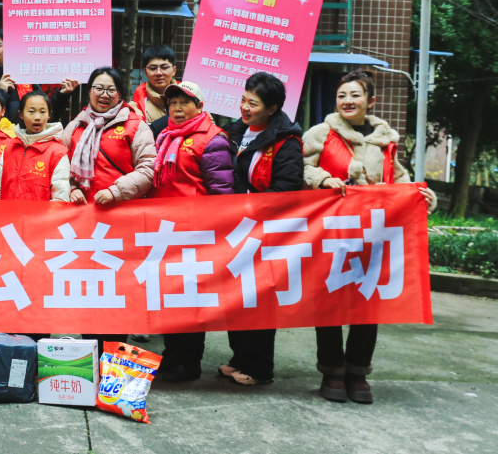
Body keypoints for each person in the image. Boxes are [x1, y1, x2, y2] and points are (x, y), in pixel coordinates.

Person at [302, 70, 436, 404]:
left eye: (355, 95)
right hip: (331, 233)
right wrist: (322, 179)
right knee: (330, 301)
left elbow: (398, 179)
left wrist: (419, 195)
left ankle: (358, 371)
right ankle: (332, 371)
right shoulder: (320, 133)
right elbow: (299, 167)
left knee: (368, 302)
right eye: (342, 95)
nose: (347, 101)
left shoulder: (384, 139)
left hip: (373, 235)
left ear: (370, 101)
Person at [146, 81, 234, 383]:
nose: (177, 108)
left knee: (192, 300)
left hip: (195, 235)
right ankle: (172, 356)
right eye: (173, 103)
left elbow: (221, 193)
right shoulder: (166, 136)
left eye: (185, 102)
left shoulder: (212, 139)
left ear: (200, 106)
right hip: (165, 233)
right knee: (171, 298)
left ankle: (188, 362)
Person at [218, 72, 303, 387]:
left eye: (252, 104)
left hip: (264, 232)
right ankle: (240, 357)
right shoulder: (234, 131)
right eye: (243, 100)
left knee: (259, 300)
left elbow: (287, 189)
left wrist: (248, 206)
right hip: (234, 230)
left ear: (272, 108)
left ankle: (259, 367)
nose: (244, 107)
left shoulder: (286, 141)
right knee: (235, 297)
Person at [62, 67, 155, 205]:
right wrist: (72, 188)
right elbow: (60, 167)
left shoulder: (136, 125)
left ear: (119, 94)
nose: (104, 95)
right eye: (99, 88)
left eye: (111, 90)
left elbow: (148, 168)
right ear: (89, 91)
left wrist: (116, 192)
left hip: (121, 209)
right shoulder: (75, 126)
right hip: (82, 211)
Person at [0, 24, 78, 125]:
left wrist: (62, 95)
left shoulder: (26, 80)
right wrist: (1, 93)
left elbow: (45, 117)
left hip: (22, 144)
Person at [0, 90, 70, 201]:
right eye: (31, 111)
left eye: (42, 112)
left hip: (40, 213)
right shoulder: (9, 147)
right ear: (21, 114)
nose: (37, 117)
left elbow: (60, 198)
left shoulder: (58, 153)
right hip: (6, 212)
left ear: (49, 115)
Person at [131, 45, 178, 123]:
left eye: (164, 67)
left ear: (174, 70)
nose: (158, 73)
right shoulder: (136, 105)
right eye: (153, 68)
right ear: (145, 72)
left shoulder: (188, 96)